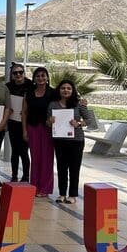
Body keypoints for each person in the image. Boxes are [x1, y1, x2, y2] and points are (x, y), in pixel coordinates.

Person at [47, 79, 89, 204]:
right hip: (60, 140)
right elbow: (47, 123)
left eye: (69, 88)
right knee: (61, 168)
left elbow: (89, 120)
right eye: (63, 88)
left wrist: (78, 123)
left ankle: (72, 195)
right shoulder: (53, 105)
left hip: (76, 140)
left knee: (74, 168)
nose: (66, 90)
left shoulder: (79, 104)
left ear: (73, 90)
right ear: (59, 90)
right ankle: (62, 194)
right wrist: (50, 121)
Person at [22, 66, 54, 198]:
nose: (40, 78)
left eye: (43, 75)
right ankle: (34, 186)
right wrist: (24, 130)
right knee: (35, 158)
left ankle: (45, 188)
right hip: (32, 127)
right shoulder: (29, 93)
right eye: (38, 76)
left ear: (47, 78)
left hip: (48, 129)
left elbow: (66, 102)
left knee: (47, 158)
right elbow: (24, 113)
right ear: (34, 78)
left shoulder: (53, 93)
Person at [6, 63, 33, 182]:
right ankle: (14, 175)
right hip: (13, 122)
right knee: (15, 151)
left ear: (24, 73)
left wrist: (28, 111)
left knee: (24, 151)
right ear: (12, 75)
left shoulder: (31, 85)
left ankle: (26, 176)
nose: (18, 75)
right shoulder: (8, 87)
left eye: (20, 72)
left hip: (25, 122)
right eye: (15, 73)